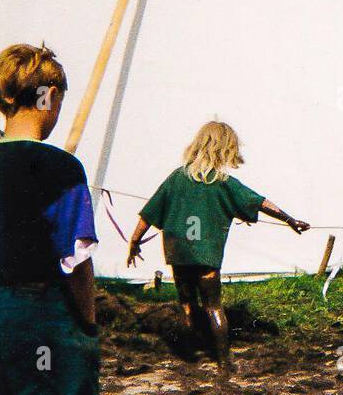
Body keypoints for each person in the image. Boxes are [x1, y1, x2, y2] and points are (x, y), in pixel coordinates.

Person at [0, 43, 100, 395]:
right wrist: (87, 324)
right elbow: (76, 260)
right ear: (48, 97)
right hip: (44, 312)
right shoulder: (61, 167)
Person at [127, 121, 308, 371]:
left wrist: (134, 242)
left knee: (188, 304)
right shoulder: (223, 182)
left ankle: (191, 355)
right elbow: (259, 202)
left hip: (178, 252)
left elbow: (148, 214)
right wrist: (289, 219)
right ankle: (224, 362)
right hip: (206, 255)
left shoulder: (177, 177)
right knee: (213, 305)